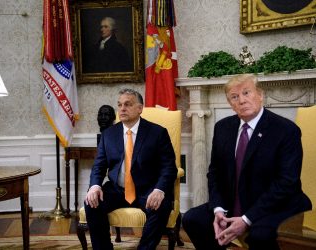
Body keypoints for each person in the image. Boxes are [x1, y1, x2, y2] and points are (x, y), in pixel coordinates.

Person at [182, 74, 312, 250]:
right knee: (193, 219)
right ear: (230, 103)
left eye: (246, 93)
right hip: (232, 202)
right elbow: (215, 173)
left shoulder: (286, 130)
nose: (241, 100)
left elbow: (286, 183)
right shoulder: (223, 127)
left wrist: (246, 219)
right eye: (234, 97)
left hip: (277, 206)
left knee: (259, 236)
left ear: (260, 95)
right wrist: (218, 209)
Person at [84, 89, 177, 250]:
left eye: (128, 104)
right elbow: (99, 165)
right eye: (119, 105)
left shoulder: (157, 133)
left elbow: (169, 167)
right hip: (117, 189)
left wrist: (160, 189)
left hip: (148, 188)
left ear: (140, 108)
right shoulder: (109, 134)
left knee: (162, 206)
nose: (122, 109)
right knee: (92, 203)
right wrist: (95, 185)